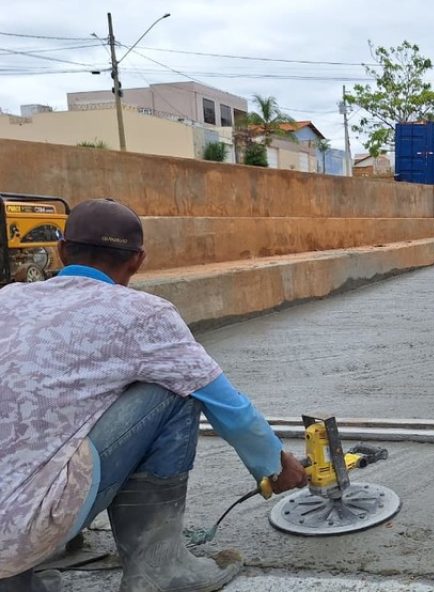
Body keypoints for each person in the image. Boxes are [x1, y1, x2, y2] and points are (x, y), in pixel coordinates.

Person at [0, 199, 307, 592]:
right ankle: (159, 568)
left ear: (61, 250)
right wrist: (274, 464)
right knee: (176, 386)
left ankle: (25, 567)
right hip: (23, 529)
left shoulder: (9, 299)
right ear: (138, 260)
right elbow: (226, 404)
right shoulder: (143, 314)